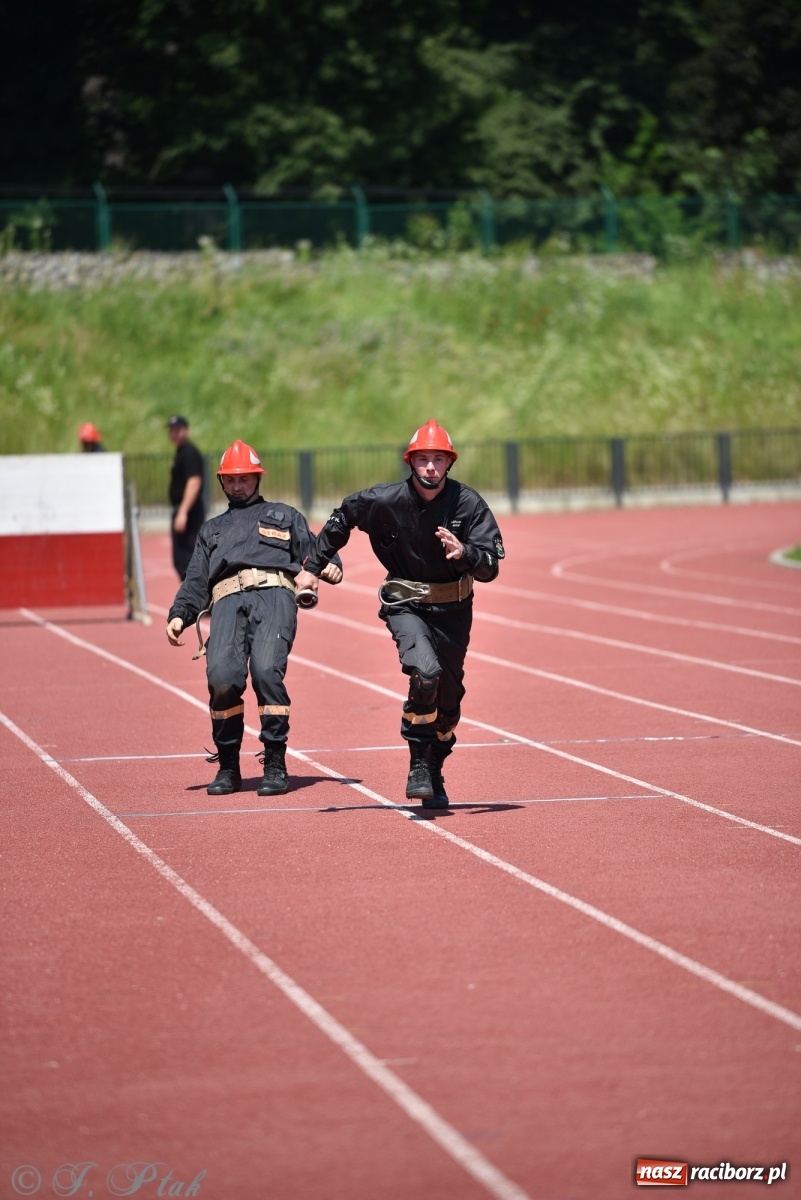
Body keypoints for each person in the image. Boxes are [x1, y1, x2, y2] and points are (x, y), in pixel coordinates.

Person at [296, 418, 504, 810]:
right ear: (410, 462)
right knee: (424, 673)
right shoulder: (384, 500)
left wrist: (467, 554)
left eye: (438, 460)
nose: (430, 467)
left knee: (449, 704)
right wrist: (311, 567)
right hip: (404, 604)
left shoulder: (468, 504)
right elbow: (343, 517)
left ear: (449, 464)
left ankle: (435, 767)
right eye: (422, 459)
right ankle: (418, 767)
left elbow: (492, 566)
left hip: (455, 609)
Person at [166, 439, 343, 797]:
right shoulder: (211, 529)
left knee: (266, 671)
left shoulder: (285, 515)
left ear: (257, 479)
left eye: (244, 478)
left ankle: (275, 762)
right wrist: (179, 615)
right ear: (221, 483)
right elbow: (196, 579)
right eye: (230, 480)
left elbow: (316, 552)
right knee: (222, 678)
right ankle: (229, 767)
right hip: (227, 602)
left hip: (274, 597)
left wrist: (331, 568)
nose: (237, 486)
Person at [167, 414, 206, 580]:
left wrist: (183, 512)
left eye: (177, 430)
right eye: (171, 430)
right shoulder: (181, 452)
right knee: (181, 558)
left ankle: (193, 598)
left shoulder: (189, 452)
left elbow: (194, 482)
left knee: (187, 558)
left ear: (186, 431)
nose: (174, 434)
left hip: (189, 511)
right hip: (183, 509)